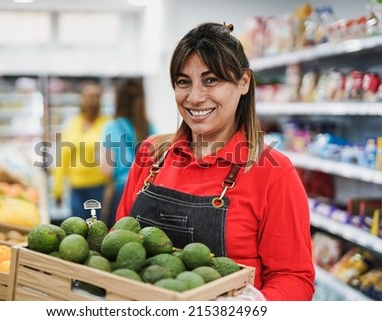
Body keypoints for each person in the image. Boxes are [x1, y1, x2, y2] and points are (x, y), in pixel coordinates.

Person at [116, 22, 315, 300]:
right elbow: (120, 240)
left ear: (243, 82)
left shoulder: (274, 173)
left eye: (211, 81)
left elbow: (294, 278)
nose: (195, 97)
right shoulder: (152, 154)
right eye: (183, 82)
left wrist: (252, 308)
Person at [99, 77, 155, 228]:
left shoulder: (112, 126)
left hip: (121, 196)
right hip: (146, 197)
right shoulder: (149, 127)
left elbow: (106, 169)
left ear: (118, 99)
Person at [52, 81, 110, 220]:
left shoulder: (107, 124)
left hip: (100, 187)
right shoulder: (72, 124)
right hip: (76, 188)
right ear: (81, 99)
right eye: (89, 96)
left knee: (98, 229)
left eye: (96, 96)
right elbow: (63, 157)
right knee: (78, 228)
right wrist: (57, 189)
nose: (92, 101)